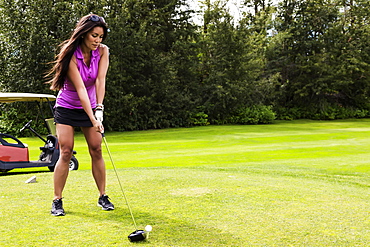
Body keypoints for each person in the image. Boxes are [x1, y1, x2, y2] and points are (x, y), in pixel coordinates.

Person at [46, 14, 114, 216]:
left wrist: (99, 109)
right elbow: (81, 89)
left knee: (96, 148)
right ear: (84, 33)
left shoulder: (103, 52)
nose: (98, 40)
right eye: (94, 35)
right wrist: (92, 119)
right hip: (67, 107)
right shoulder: (70, 54)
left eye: (101, 37)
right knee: (66, 151)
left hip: (92, 106)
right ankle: (57, 200)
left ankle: (103, 196)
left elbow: (100, 81)